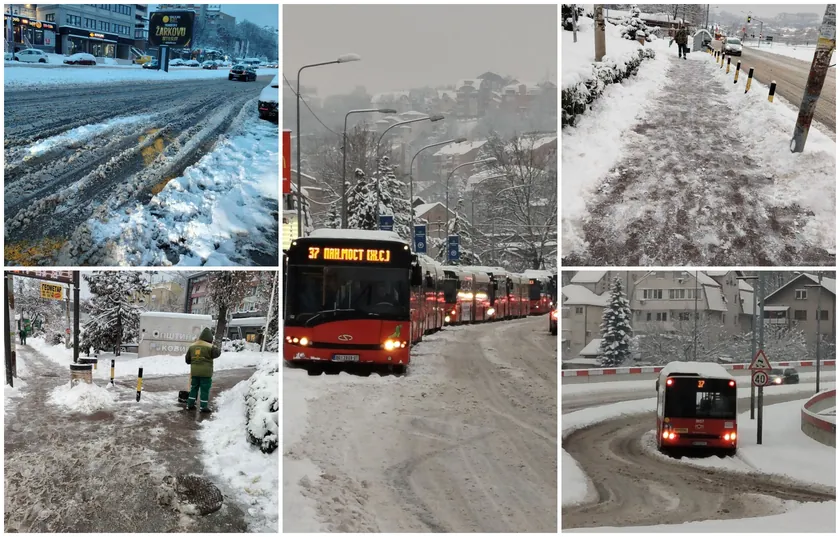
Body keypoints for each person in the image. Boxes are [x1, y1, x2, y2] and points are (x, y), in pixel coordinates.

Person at [184, 327, 221, 413]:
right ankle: (203, 407)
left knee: (194, 388)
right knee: (204, 389)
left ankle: (190, 404)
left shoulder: (193, 346)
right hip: (206, 373)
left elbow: (187, 360)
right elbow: (217, 353)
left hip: (195, 372)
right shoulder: (210, 346)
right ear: (210, 338)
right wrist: (215, 345)